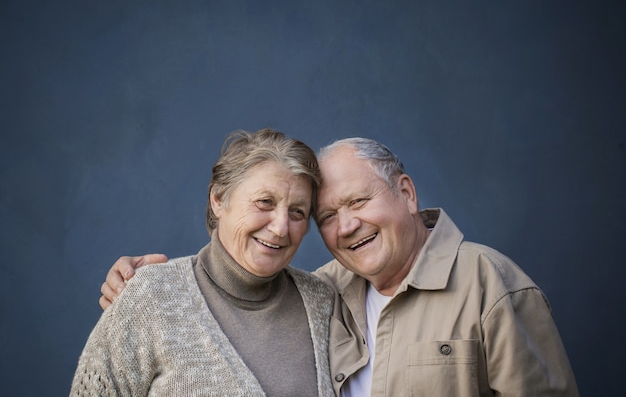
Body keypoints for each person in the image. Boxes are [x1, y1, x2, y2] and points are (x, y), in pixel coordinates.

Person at [101, 137, 580, 396]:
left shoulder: (491, 285)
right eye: (327, 216)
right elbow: (239, 276)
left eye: (359, 201)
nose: (347, 226)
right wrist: (153, 284)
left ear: (407, 194)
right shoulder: (324, 292)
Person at [71, 129, 335, 396]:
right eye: (265, 202)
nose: (280, 228)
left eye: (297, 212)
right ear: (218, 199)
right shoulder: (151, 297)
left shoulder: (323, 303)